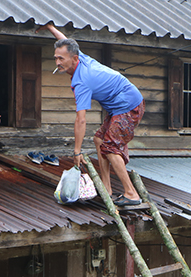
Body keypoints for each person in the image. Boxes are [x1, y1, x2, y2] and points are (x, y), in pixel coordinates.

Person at [36, 23, 145, 206]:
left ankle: (131, 193)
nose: (57, 63)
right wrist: (51, 28)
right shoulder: (80, 58)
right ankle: (107, 189)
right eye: (56, 58)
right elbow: (64, 41)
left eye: (61, 59)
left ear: (74, 59)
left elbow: (81, 119)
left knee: (110, 146)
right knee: (99, 140)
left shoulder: (82, 82)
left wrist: (77, 151)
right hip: (119, 107)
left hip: (129, 105)